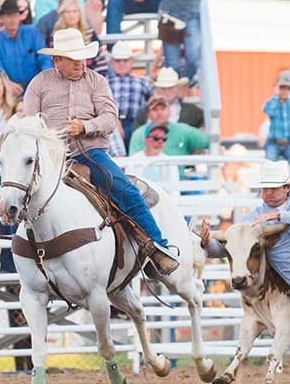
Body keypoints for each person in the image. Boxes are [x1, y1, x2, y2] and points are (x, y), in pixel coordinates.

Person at [24, 28, 179, 275]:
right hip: (49, 157)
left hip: (89, 152)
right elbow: (30, 123)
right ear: (57, 61)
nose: (79, 63)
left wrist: (85, 126)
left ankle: (158, 247)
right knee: (20, 194)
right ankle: (22, 259)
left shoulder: (97, 81)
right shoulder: (39, 84)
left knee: (124, 189)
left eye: (81, 57)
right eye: (72, 59)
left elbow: (109, 118)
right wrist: (51, 136)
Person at [198, 160, 290, 291]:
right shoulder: (252, 220)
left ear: (287, 187)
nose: (269, 192)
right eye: (265, 188)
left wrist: (279, 215)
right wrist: (207, 242)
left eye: (273, 188)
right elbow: (229, 249)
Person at [0, 0, 52, 95]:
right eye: (8, 16)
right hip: (10, 91)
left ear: (20, 17)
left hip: (37, 87)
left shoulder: (32, 32)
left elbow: (44, 58)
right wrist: (7, 84)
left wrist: (44, 80)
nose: (12, 20)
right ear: (2, 18)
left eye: (15, 15)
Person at [129, 95, 210, 157]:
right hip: (148, 177)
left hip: (178, 177)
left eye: (163, 108)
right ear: (148, 115)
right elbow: (134, 162)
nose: (159, 113)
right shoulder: (139, 134)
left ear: (169, 110)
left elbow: (208, 141)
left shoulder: (183, 130)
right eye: (155, 109)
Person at [107, 40, 153, 139]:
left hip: (136, 121)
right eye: (118, 61)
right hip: (112, 122)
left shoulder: (142, 82)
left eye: (125, 60)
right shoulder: (105, 82)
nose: (121, 64)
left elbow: (152, 101)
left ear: (131, 62)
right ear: (112, 63)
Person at [49, 0, 107, 75]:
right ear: (62, 15)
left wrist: (94, 76)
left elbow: (99, 53)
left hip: (90, 72)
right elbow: (54, 58)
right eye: (68, 12)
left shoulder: (89, 32)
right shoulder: (57, 35)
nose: (71, 15)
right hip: (64, 73)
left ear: (80, 13)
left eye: (75, 11)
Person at [132, 67, 204, 129]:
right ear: (157, 90)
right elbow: (137, 137)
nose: (166, 91)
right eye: (163, 88)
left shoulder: (193, 112)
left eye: (170, 88)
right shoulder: (144, 112)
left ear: (177, 89)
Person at [124, 122, 179, 187]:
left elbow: (174, 190)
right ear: (145, 140)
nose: (160, 141)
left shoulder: (169, 161)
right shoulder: (133, 160)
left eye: (164, 139)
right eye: (156, 138)